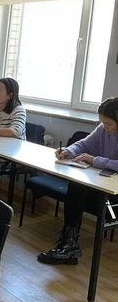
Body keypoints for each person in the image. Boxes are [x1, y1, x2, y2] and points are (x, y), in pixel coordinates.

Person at [38, 97, 118, 265]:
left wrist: (94, 160)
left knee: (78, 190)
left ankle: (69, 244)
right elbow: (83, 144)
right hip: (103, 186)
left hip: (114, 199)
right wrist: (68, 151)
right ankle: (70, 242)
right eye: (102, 122)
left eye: (108, 123)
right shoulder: (103, 129)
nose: (104, 126)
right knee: (77, 185)